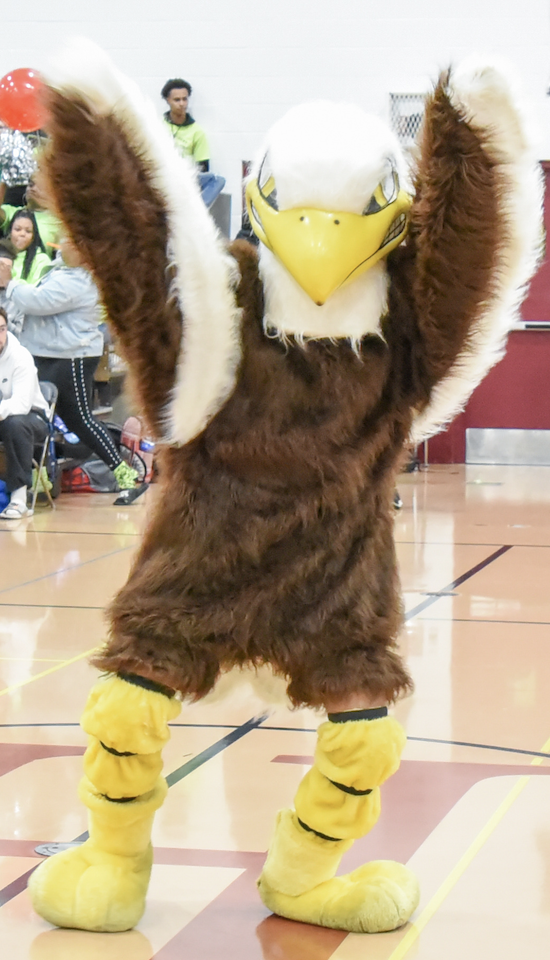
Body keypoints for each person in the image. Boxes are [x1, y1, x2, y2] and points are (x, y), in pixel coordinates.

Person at [28, 42, 541, 938]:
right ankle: (114, 857)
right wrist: (89, 125)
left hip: (339, 572)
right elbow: (134, 254)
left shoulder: (402, 326)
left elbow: (466, 256)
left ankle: (304, 873)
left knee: (365, 735)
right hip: (202, 556)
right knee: (126, 707)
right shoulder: (221, 298)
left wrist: (462, 130)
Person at [0, 238, 138, 492]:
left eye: (70, 244)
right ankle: (37, 480)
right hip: (48, 352)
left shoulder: (80, 280)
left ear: (84, 254)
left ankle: (122, 471)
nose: (61, 245)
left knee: (79, 419)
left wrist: (10, 283)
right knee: (38, 414)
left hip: (70, 356)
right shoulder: (63, 270)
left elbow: (38, 302)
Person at [0, 307, 49, 519]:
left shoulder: (20, 357)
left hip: (33, 418)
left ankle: (19, 500)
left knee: (14, 424)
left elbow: (21, 405)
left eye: (1, 329)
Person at [0, 176, 62, 256]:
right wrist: (3, 181)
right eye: (31, 184)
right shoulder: (13, 212)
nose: (32, 188)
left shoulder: (58, 221)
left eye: (40, 186)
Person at [161, 78, 209, 171]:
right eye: (177, 100)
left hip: (186, 179)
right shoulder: (158, 126)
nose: (182, 104)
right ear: (168, 100)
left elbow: (203, 168)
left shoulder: (197, 131)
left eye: (185, 99)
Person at [6, 208, 52, 284]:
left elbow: (36, 292)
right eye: (17, 229)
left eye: (28, 231)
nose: (22, 234)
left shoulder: (42, 260)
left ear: (34, 236)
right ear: (10, 233)